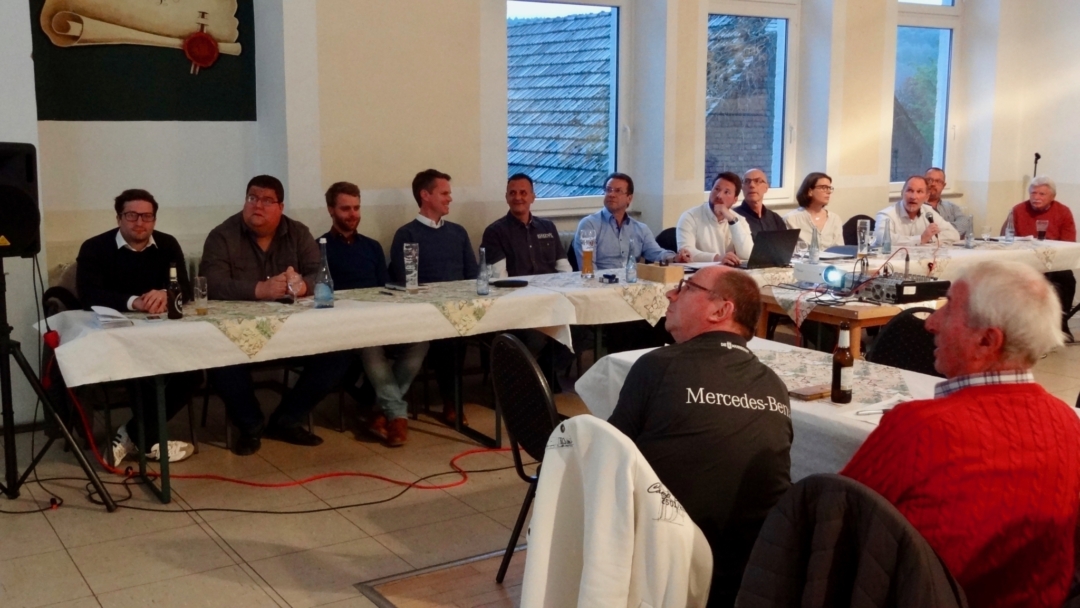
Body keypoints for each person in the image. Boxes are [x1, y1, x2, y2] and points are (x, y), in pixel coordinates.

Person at [841, 260, 1080, 607]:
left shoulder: (921, 428)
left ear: (986, 341)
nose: (931, 323)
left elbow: (830, 526)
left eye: (949, 307)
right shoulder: (1069, 425)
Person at [608, 266, 793, 607]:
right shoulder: (773, 383)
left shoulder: (658, 366)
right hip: (755, 576)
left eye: (686, 287)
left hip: (667, 574)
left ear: (721, 310)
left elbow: (609, 464)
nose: (671, 294)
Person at [199, 175, 352, 455]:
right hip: (238, 331)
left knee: (339, 353)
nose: (258, 205)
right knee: (219, 356)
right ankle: (251, 425)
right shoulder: (222, 235)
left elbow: (320, 274)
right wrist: (260, 289)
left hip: (293, 331)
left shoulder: (298, 233)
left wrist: (302, 285)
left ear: (281, 207)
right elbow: (211, 283)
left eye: (267, 200)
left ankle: (287, 419)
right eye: (252, 198)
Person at [76, 189, 197, 464]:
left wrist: (167, 294)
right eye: (132, 215)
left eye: (147, 216)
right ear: (119, 218)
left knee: (193, 374)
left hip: (163, 337)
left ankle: (131, 434)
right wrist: (134, 301)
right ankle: (148, 441)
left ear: (154, 219)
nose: (140, 222)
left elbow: (186, 288)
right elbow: (88, 295)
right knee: (141, 371)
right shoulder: (95, 247)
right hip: (115, 340)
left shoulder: (167, 244)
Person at [320, 181, 427, 447]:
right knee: (371, 346)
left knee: (422, 339)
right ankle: (397, 415)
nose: (352, 214)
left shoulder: (372, 247)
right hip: (346, 326)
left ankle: (381, 411)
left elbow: (385, 287)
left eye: (356, 208)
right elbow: (319, 293)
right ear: (331, 210)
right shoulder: (319, 247)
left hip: (380, 319)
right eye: (345, 208)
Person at [389, 169, 478, 425]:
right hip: (425, 311)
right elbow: (405, 280)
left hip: (460, 309)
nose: (450, 198)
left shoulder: (458, 232)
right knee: (448, 334)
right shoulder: (408, 234)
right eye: (444, 193)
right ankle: (452, 401)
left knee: (462, 328)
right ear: (425, 195)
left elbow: (472, 275)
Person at [572, 172, 690, 270]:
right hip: (602, 283)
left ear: (629, 198)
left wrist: (676, 258)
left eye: (618, 191)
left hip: (632, 282)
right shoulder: (590, 225)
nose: (611, 194)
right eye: (608, 190)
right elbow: (587, 266)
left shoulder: (640, 229)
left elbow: (656, 254)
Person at [1002, 176, 1076, 329]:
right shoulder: (1018, 210)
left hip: (1054, 262)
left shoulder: (1063, 212)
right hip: (1023, 261)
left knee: (1067, 279)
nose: (1036, 197)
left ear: (1052, 197)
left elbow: (1069, 243)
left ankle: (1060, 324)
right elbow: (1005, 237)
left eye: (1042, 194)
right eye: (1033, 193)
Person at [481, 173, 571, 277]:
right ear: (506, 197)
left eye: (523, 193)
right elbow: (499, 278)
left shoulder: (548, 227)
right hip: (516, 287)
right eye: (513, 193)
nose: (517, 197)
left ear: (532, 197)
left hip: (552, 286)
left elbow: (565, 269)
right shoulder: (494, 233)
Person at [676, 171, 754, 265]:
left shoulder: (738, 220)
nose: (719, 195)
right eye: (716, 189)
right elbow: (686, 252)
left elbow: (747, 255)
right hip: (699, 272)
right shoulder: (690, 217)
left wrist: (731, 220)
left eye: (726, 192)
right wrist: (717, 258)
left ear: (735, 199)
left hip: (729, 271)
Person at [873, 175, 959, 246]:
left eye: (919, 191)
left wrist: (929, 238)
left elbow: (954, 234)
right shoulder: (886, 214)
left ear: (927, 197)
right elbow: (882, 239)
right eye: (910, 190)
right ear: (902, 193)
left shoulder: (928, 212)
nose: (913, 197)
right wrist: (920, 239)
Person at [784, 172, 845, 249]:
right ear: (810, 191)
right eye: (824, 187)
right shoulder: (791, 219)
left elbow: (840, 249)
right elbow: (787, 251)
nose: (829, 192)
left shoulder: (835, 219)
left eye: (829, 188)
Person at [732, 168, 787, 238]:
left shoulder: (775, 219)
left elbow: (785, 243)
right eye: (747, 181)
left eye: (757, 181)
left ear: (766, 187)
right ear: (742, 187)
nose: (752, 185)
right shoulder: (733, 217)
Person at [924, 167, 970, 237]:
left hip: (948, 243)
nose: (933, 184)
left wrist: (942, 232)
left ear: (943, 185)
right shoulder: (916, 207)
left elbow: (964, 223)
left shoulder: (952, 207)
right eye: (929, 180)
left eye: (938, 181)